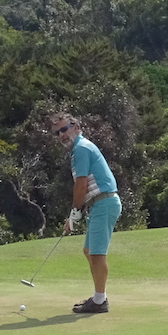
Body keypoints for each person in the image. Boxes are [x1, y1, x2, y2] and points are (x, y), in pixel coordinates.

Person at [50, 113, 122, 314]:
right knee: (89, 251)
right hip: (99, 203)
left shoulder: (81, 148)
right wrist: (76, 213)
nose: (62, 135)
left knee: (97, 254)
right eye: (58, 132)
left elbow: (80, 184)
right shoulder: (78, 150)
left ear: (76, 127)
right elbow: (81, 185)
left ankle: (100, 301)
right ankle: (99, 297)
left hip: (104, 201)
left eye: (65, 129)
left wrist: (74, 213)